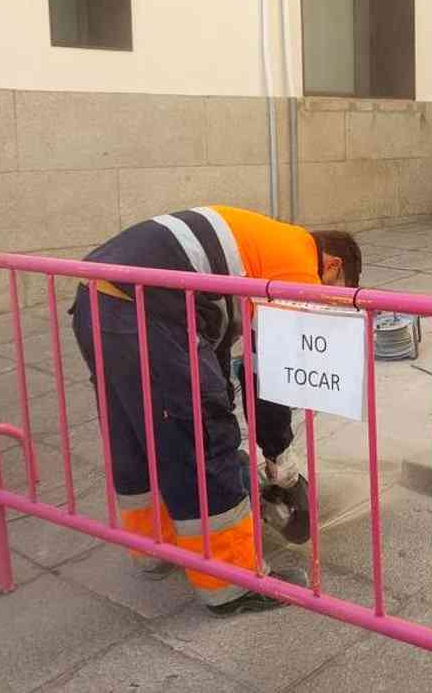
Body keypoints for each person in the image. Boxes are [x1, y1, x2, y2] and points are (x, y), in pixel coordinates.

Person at [69, 205, 362, 614]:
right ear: (330, 265)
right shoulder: (299, 268)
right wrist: (280, 457)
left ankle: (154, 547)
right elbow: (270, 380)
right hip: (152, 311)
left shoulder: (262, 242)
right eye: (333, 290)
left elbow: (217, 341)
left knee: (136, 434)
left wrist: (220, 396)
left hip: (95, 298)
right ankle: (233, 582)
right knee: (204, 436)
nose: (324, 302)